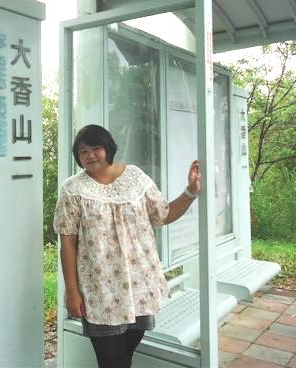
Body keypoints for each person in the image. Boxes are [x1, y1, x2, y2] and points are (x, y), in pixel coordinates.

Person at [53, 124, 201, 368]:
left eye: (96, 148)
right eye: (83, 151)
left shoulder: (135, 178)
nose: (90, 155)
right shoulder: (73, 189)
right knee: (110, 360)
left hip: (138, 285)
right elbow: (67, 242)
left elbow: (163, 214)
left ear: (108, 148)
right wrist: (71, 290)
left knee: (124, 357)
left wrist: (191, 192)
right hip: (99, 289)